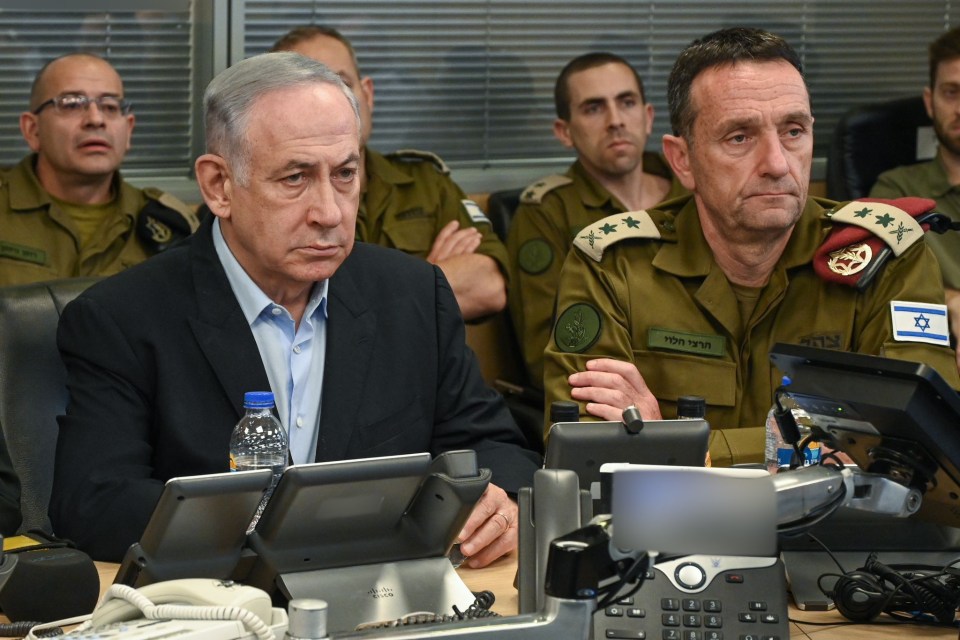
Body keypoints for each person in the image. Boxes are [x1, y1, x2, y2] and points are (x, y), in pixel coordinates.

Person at [50, 52, 540, 565]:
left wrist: (498, 503)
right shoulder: (123, 318)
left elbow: (496, 448)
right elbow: (94, 505)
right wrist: (280, 525)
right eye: (295, 178)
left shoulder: (413, 295)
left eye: (346, 174)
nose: (329, 212)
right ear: (219, 186)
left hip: (386, 599)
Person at [542, 27, 960, 466]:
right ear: (682, 159)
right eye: (739, 137)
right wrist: (829, 442)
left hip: (845, 533)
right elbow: (588, 453)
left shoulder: (886, 255)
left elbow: (920, 440)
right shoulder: (613, 263)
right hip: (668, 531)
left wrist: (680, 447)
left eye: (793, 131)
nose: (777, 163)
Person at [270, 26, 508, 322]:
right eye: (305, 93)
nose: (327, 106)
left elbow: (488, 287)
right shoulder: (271, 199)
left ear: (367, 94)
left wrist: (369, 303)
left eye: (341, 85)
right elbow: (289, 311)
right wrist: (426, 279)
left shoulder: (426, 184)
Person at [507, 52, 687, 390]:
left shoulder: (695, 195)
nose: (616, 120)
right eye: (594, 108)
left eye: (627, 102)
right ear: (565, 131)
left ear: (648, 117)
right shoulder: (547, 212)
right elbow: (548, 352)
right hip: (616, 398)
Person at [0, 53, 198, 287]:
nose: (95, 119)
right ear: (32, 130)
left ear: (129, 130)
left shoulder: (171, 224)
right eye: (72, 104)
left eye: (110, 106)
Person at [870, 25, 960, 366]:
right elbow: (883, 284)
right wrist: (952, 301)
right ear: (930, 101)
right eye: (952, 92)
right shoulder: (897, 193)